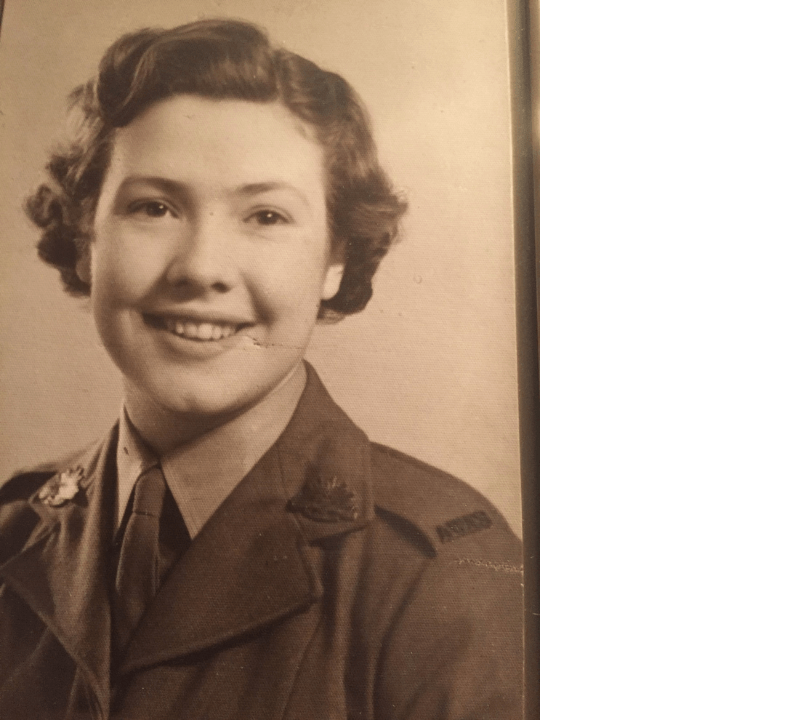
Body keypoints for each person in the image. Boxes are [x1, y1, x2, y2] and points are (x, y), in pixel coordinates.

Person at [0, 19, 524, 720]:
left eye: (266, 216)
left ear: (336, 258)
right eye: (154, 207)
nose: (201, 269)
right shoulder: (14, 531)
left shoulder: (443, 575)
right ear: (86, 236)